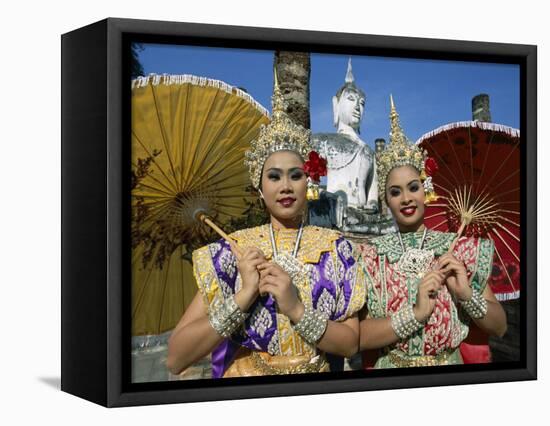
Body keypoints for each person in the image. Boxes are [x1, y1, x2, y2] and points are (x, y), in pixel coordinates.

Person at [166, 76, 366, 378]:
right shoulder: (233, 249)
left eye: (295, 175)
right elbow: (176, 358)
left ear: (308, 181)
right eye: (274, 177)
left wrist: (296, 309)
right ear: (260, 189)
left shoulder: (336, 248)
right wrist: (243, 296)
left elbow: (350, 345)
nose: (285, 186)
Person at [357, 96, 507, 368]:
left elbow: (499, 327)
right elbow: (359, 337)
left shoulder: (459, 249)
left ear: (425, 191)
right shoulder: (370, 256)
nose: (406, 199)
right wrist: (416, 314)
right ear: (386, 200)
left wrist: (466, 295)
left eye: (413, 187)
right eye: (395, 192)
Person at [312, 59, 382, 233]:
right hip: (333, 213)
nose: (358, 107)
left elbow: (372, 195)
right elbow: (310, 187)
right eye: (351, 99)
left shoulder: (368, 151)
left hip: (364, 218)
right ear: (336, 104)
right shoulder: (322, 141)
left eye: (362, 103)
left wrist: (372, 205)